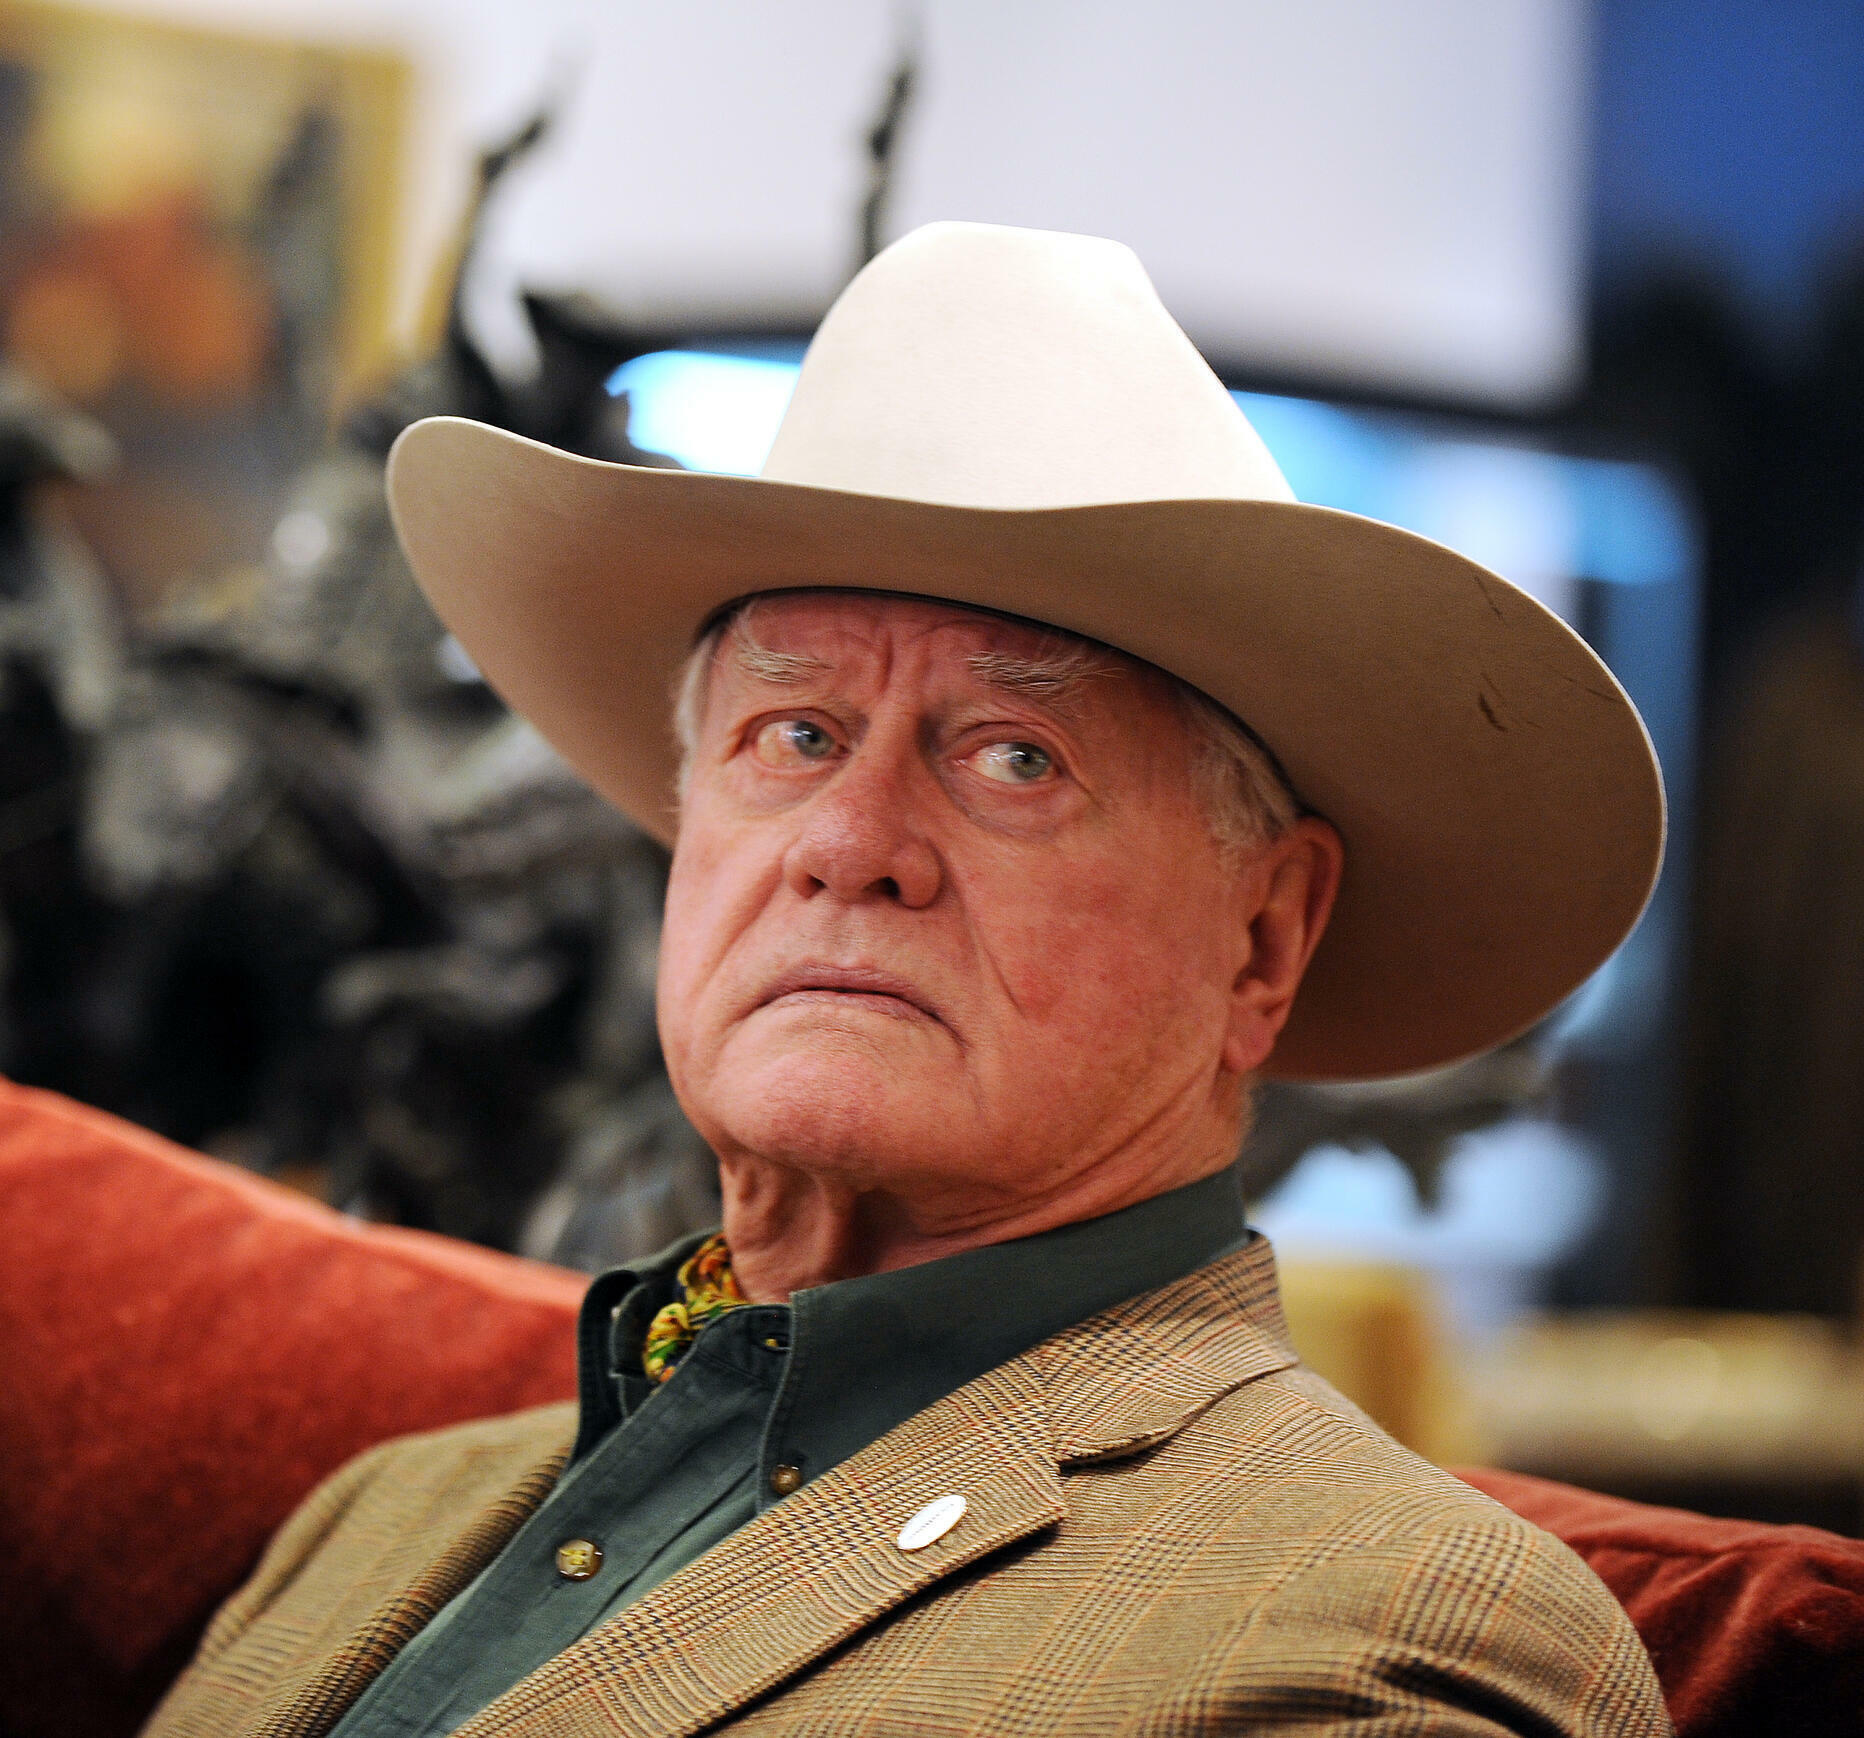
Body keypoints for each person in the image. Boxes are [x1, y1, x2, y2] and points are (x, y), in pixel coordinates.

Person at [143, 224, 1672, 1736]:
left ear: (1262, 938)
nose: (848, 842)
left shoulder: (1383, 1628)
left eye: (1015, 757)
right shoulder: (369, 1521)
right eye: (795, 735)